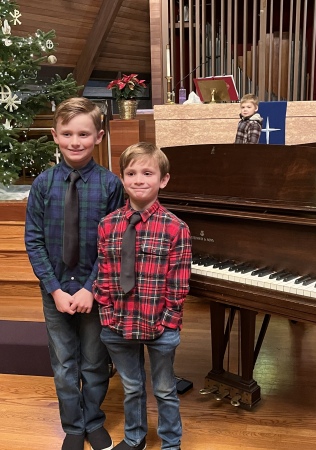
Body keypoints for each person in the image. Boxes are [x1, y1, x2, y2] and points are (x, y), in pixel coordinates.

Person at [25, 97, 124, 450]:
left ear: (98, 136)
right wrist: (54, 289)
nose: (75, 141)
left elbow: (114, 244)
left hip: (93, 292)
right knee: (64, 362)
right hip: (55, 292)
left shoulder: (111, 185)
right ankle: (73, 426)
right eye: (67, 133)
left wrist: (90, 289)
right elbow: (33, 240)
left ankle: (93, 420)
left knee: (95, 360)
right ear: (55, 135)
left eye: (84, 133)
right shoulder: (42, 185)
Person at [93, 142, 192, 450]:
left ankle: (171, 443)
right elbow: (105, 274)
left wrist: (168, 321)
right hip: (118, 323)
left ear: (163, 179)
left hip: (158, 324)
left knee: (164, 389)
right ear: (122, 178)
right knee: (132, 386)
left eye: (147, 172)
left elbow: (179, 283)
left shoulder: (176, 228)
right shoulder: (107, 225)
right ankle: (135, 438)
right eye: (131, 172)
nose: (138, 179)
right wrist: (107, 315)